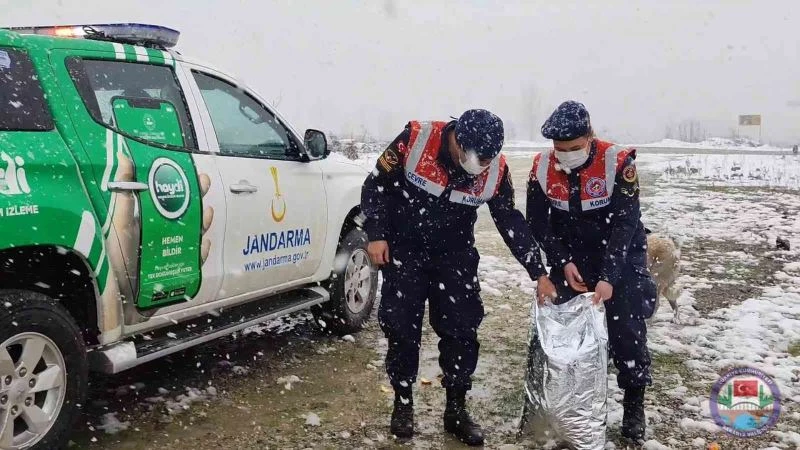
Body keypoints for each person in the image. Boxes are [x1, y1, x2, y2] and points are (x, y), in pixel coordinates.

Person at [361, 109, 557, 445]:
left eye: (487, 158)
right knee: (401, 327)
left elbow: (508, 218)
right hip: (404, 250)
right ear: (457, 141)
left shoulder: (495, 168)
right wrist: (376, 233)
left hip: (454, 255)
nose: (480, 164)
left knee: (462, 330)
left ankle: (456, 408)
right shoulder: (416, 140)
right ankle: (403, 403)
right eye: (475, 156)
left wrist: (537, 271)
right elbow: (375, 186)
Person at [526, 101, 657, 442]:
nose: (565, 155)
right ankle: (562, 405)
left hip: (621, 254)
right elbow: (538, 222)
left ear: (589, 136)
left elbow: (626, 222)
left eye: (573, 148)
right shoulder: (541, 168)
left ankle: (633, 402)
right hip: (571, 256)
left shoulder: (617, 162)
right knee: (558, 329)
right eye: (559, 149)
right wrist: (562, 261)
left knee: (626, 328)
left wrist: (610, 277)